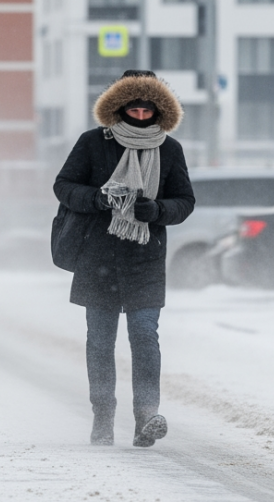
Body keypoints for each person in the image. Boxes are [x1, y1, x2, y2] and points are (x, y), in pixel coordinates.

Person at [52, 70, 195, 447]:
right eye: (134, 108)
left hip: (145, 259)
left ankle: (147, 415)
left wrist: (157, 210)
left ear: (160, 108)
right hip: (97, 256)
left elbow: (185, 202)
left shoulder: (169, 149)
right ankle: (103, 416)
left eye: (149, 110)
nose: (141, 115)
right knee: (100, 341)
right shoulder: (92, 142)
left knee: (145, 337)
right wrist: (96, 199)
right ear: (118, 104)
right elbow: (63, 186)